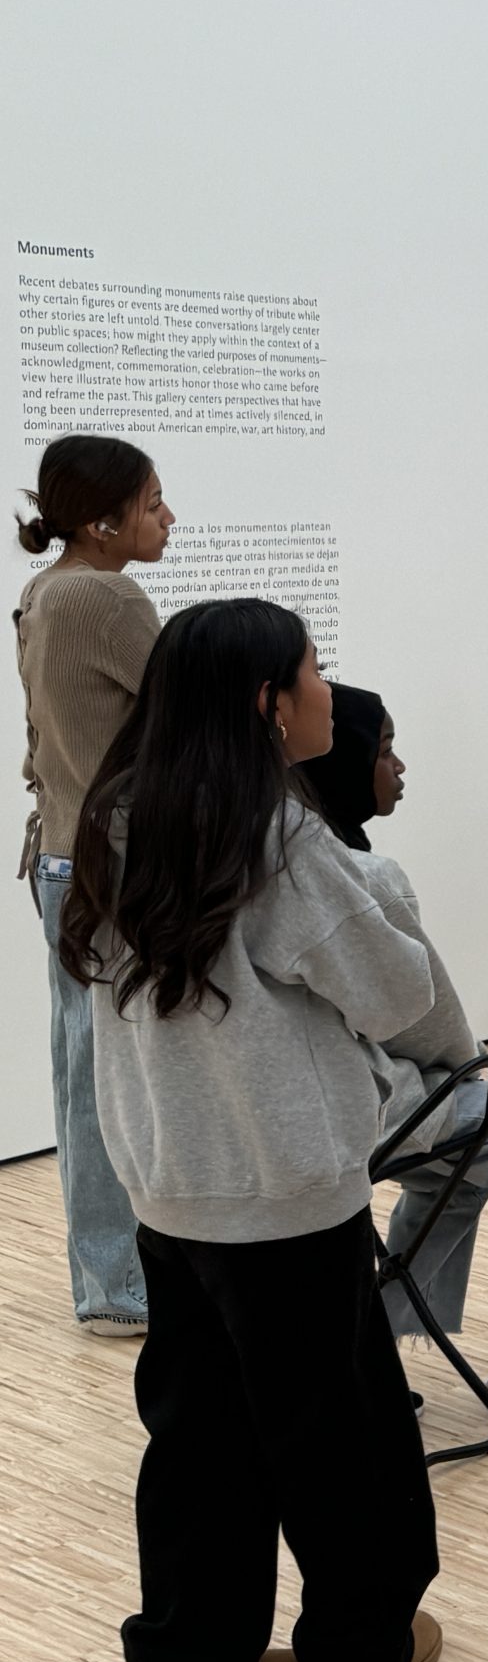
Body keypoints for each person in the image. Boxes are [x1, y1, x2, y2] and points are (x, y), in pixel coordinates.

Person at [60, 600, 443, 1662]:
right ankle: (357, 1660)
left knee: (197, 1446)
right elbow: (398, 993)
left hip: (170, 1191)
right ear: (267, 704)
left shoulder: (116, 820)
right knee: (341, 1443)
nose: (328, 686)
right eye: (314, 668)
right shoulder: (276, 839)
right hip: (287, 1198)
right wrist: (384, 895)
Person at [301, 685, 488, 1404]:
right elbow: (427, 1021)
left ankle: (371, 1353)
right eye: (384, 749)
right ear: (345, 762)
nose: (400, 766)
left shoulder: (259, 856)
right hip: (354, 1108)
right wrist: (466, 1066)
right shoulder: (365, 879)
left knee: (457, 1170)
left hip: (307, 1103)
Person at [15, 433, 174, 1335]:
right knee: (107, 1074)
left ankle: (113, 1274)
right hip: (104, 866)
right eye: (152, 503)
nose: (168, 517)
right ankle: (116, 1285)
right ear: (102, 520)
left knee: (84, 1066)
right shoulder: (107, 596)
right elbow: (186, 717)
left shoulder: (46, 590)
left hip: (63, 858)